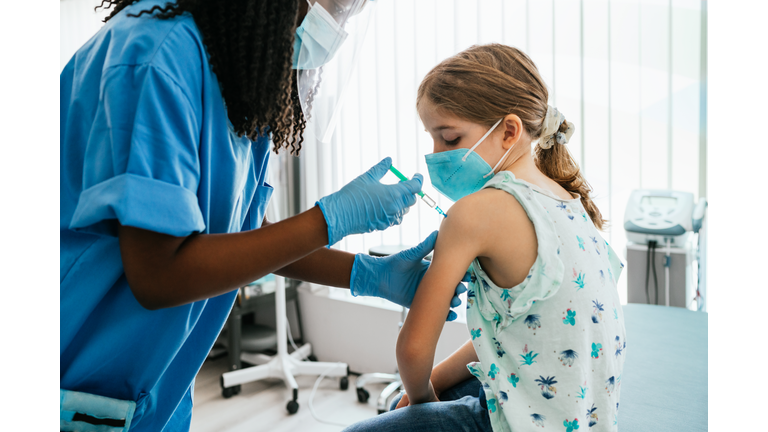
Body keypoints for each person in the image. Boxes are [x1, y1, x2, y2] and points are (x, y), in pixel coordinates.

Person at [60, 1, 465, 431]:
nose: (333, 25)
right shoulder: (156, 61)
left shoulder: (233, 72)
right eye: (331, 5)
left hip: (151, 384)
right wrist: (328, 220)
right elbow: (158, 273)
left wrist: (366, 274)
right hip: (77, 373)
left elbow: (243, 238)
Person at [343, 44, 626, 432]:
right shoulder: (570, 202)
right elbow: (520, 335)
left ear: (509, 130)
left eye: (450, 138)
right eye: (432, 139)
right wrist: (437, 385)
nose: (435, 154)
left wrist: (421, 405)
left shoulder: (475, 213)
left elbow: (412, 351)